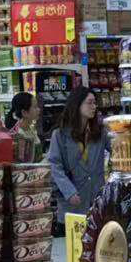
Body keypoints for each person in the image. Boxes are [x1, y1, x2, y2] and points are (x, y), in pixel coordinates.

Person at [46, 87, 109, 217]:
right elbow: (54, 165)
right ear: (77, 104)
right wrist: (69, 192)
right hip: (72, 202)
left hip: (96, 200)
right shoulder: (60, 134)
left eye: (95, 103)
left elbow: (116, 148)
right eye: (90, 102)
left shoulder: (100, 133)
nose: (94, 107)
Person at [5, 91, 41, 163]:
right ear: (24, 112)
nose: (39, 109)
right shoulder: (18, 135)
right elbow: (22, 163)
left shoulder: (31, 129)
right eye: (35, 107)